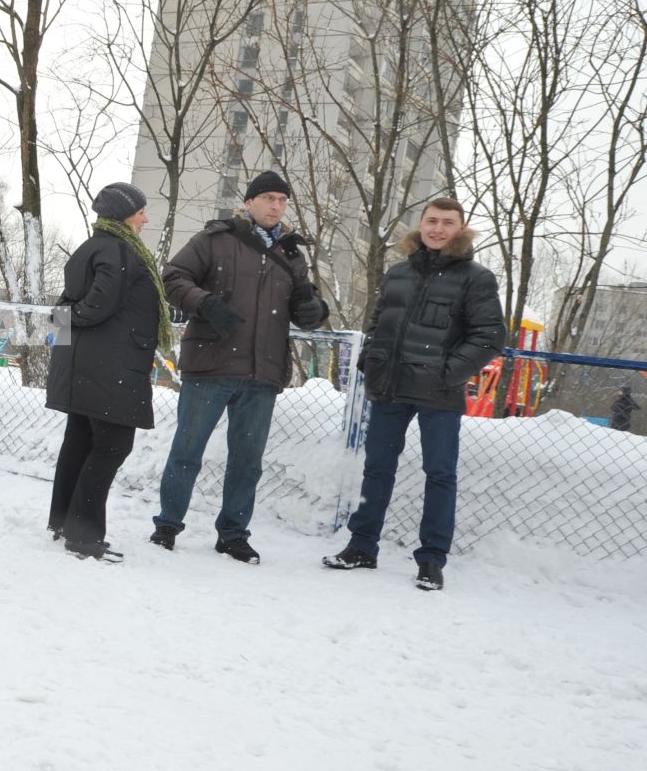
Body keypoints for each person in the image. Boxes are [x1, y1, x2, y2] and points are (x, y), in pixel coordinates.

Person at [322, 196, 506, 590]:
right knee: (376, 469)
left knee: (440, 474)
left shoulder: (476, 278)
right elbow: (378, 321)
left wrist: (447, 372)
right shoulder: (398, 273)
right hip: (390, 385)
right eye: (432, 221)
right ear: (420, 225)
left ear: (461, 229)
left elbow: (490, 337)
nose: (438, 229)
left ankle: (432, 559)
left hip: (440, 392)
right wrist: (371, 359)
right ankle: (362, 546)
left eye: (447, 223)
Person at [150, 170, 329, 564]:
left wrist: (314, 310)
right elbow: (172, 276)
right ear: (249, 203)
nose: (275, 206)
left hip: (262, 373)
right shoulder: (216, 240)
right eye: (267, 198)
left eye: (282, 200)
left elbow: (305, 310)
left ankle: (233, 534)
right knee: (187, 451)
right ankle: (167, 525)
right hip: (211, 365)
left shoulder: (291, 255)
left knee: (247, 462)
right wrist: (205, 302)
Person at [44, 182, 172, 562]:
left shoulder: (92, 246)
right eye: (141, 212)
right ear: (122, 215)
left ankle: (65, 521)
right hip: (109, 367)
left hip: (90, 364)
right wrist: (74, 320)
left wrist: (66, 330)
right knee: (112, 445)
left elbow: (66, 309)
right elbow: (99, 304)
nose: (146, 219)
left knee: (80, 442)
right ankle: (83, 535)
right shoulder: (119, 251)